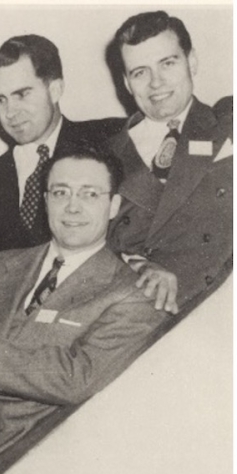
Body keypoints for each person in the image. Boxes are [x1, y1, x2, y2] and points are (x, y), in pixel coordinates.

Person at [0, 146, 169, 456]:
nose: (72, 208)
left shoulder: (134, 295)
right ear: (45, 202)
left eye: (90, 195)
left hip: (42, 464)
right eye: (61, 193)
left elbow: (78, 378)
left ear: (113, 206)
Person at [106, 10, 233, 308]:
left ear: (192, 62)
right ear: (126, 83)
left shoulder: (227, 126)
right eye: (140, 72)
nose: (156, 83)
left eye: (167, 63)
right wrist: (138, 265)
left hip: (218, 306)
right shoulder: (106, 154)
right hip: (134, 308)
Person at [0, 35, 125, 259]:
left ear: (55, 89)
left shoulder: (112, 140)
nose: (10, 112)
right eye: (1, 100)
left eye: (22, 94)